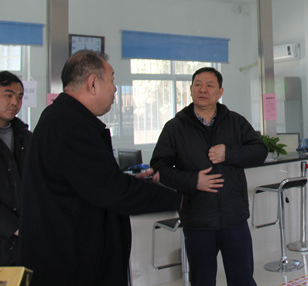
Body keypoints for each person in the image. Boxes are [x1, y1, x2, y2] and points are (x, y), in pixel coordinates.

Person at [18, 51, 181, 285]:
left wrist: (128, 182)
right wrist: (179, 199)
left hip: (67, 257)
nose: (115, 89)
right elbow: (111, 191)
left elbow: (91, 182)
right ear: (93, 83)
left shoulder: (59, 117)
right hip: (71, 266)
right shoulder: (72, 127)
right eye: (112, 79)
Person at [150, 67, 267, 286]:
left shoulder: (236, 122)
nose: (203, 89)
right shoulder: (175, 127)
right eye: (198, 84)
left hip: (234, 218)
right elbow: (158, 167)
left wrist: (229, 153)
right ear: (191, 89)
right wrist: (192, 181)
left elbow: (260, 151)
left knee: (242, 280)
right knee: (202, 281)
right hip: (198, 220)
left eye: (209, 85)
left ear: (220, 92)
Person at [0, 71, 31, 266]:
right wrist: (14, 226)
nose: (15, 102)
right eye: (8, 95)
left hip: (25, 242)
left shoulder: (26, 137)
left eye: (19, 97)